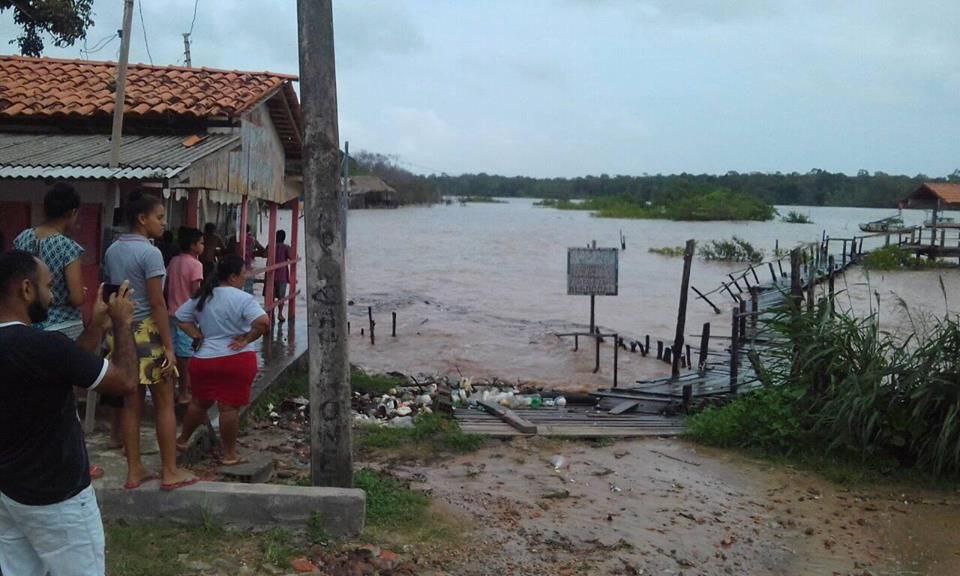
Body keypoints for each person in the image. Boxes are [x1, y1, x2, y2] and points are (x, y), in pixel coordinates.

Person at [0, 250, 139, 576]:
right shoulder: (45, 346)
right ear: (26, 289)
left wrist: (96, 327)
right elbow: (127, 382)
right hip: (58, 498)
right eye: (48, 286)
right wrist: (121, 324)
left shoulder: (43, 352)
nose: (51, 296)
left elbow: (64, 368)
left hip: (9, 493)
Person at [104, 190, 197, 491]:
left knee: (131, 402)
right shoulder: (151, 253)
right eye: (159, 217)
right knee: (164, 402)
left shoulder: (112, 250)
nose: (163, 222)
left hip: (120, 330)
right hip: (147, 331)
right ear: (142, 220)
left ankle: (134, 470)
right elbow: (158, 303)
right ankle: (169, 471)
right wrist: (169, 346)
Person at [176, 255, 269, 465]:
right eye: (243, 273)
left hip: (204, 359)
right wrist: (246, 339)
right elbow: (263, 322)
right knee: (229, 408)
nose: (245, 277)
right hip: (235, 359)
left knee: (199, 403)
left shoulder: (203, 296)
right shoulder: (242, 298)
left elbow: (181, 317)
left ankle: (182, 440)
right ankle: (229, 454)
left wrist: (197, 335)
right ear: (234, 276)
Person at [13, 182, 86, 332]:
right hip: (62, 323)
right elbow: (77, 298)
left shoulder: (22, 238)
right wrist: (80, 293)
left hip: (27, 320)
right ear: (72, 213)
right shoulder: (68, 247)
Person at [166, 228, 205, 405]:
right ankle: (183, 392)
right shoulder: (196, 265)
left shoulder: (173, 261)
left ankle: (171, 390)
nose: (203, 246)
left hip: (170, 312)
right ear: (193, 245)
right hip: (186, 317)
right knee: (185, 357)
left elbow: (166, 287)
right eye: (201, 243)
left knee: (171, 353)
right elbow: (196, 292)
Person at [271, 229, 291, 323]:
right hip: (282, 274)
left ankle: (271, 313)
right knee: (281, 296)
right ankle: (280, 314)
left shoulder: (271, 246)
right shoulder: (286, 247)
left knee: (271, 295)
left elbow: (264, 254)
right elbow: (293, 256)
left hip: (271, 274)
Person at [242, 225, 266, 294]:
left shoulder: (235, 238)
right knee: (248, 288)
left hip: (235, 265)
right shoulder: (252, 239)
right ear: (249, 230)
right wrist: (252, 253)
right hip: (248, 265)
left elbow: (228, 250)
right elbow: (262, 250)